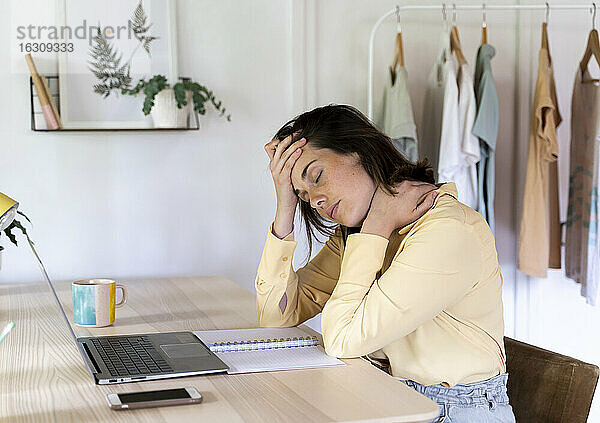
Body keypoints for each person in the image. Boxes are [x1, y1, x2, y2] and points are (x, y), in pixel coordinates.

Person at [255, 104, 515, 423]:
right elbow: (276, 316)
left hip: (454, 410)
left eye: (316, 176)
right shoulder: (359, 234)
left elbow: (341, 340)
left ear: (359, 150)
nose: (316, 200)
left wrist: (378, 222)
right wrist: (285, 206)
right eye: (305, 196)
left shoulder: (448, 230)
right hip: (386, 396)